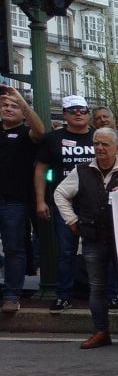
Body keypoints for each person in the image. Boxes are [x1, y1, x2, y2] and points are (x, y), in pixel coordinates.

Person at [53, 128, 118, 349]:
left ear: (117, 148)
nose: (99, 148)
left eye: (105, 144)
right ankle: (101, 331)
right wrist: (71, 220)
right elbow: (60, 193)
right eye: (96, 143)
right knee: (97, 287)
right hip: (92, 237)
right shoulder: (81, 171)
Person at [34, 95, 97, 312]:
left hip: (94, 203)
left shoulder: (98, 137)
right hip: (64, 203)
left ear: (88, 113)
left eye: (82, 110)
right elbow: (41, 169)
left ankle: (108, 294)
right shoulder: (53, 138)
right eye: (72, 110)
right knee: (66, 252)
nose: (78, 113)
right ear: (65, 115)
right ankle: (64, 295)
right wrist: (41, 200)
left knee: (98, 251)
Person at [0, 86, 45, 313]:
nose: (9, 108)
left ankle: (11, 294)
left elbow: (40, 131)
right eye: (5, 105)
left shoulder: (27, 134)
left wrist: (22, 102)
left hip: (14, 202)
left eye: (14, 105)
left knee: (14, 248)